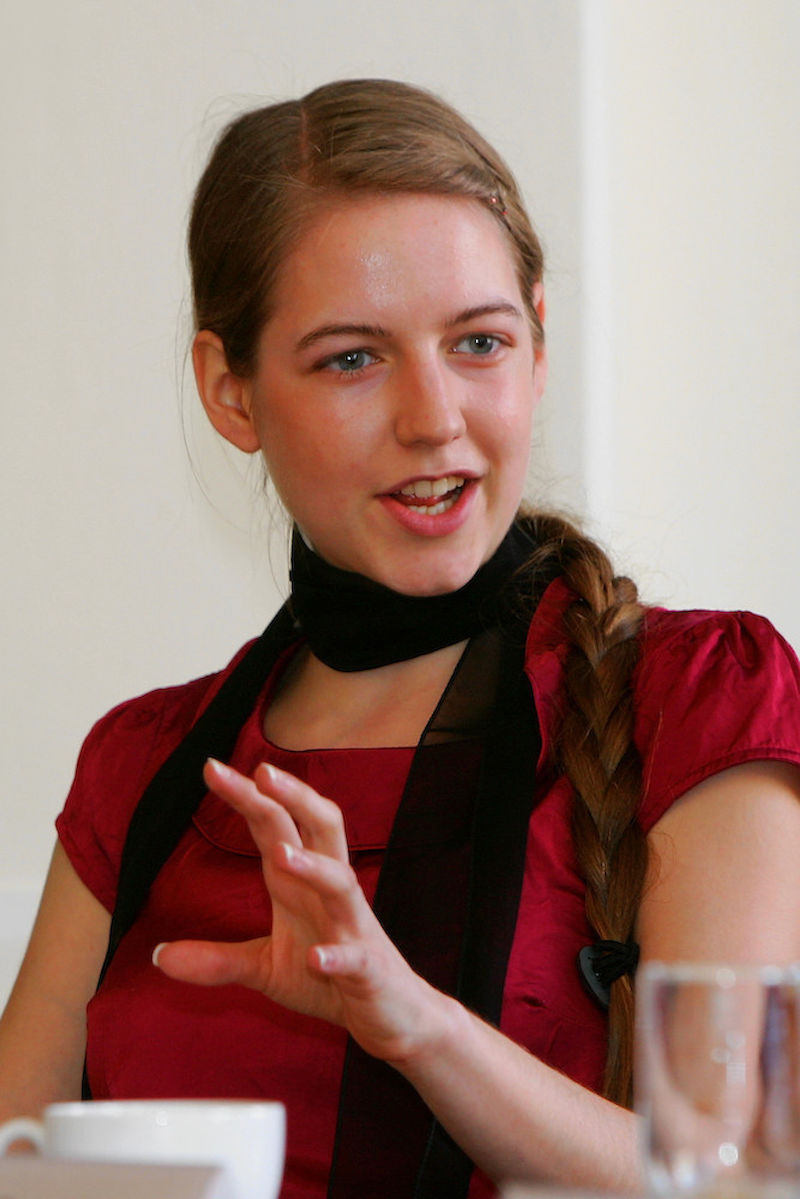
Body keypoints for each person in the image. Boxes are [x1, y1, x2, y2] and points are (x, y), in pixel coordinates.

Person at [2, 78, 800, 1199]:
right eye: (352, 358)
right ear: (231, 392)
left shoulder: (699, 700)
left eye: (478, 341)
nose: (433, 417)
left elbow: (739, 1182)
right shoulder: (140, 768)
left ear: (537, 346)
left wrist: (412, 1020)